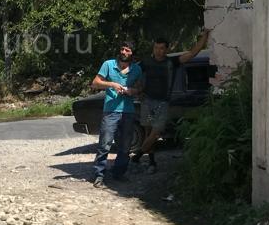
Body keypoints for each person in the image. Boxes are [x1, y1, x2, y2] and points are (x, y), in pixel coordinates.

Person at [132, 29, 210, 170]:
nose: (158, 51)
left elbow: (192, 54)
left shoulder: (171, 62)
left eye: (161, 48)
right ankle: (152, 162)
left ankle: (137, 156)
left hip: (162, 103)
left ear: (167, 49)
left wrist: (204, 37)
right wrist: (139, 90)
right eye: (156, 48)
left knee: (156, 133)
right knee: (148, 133)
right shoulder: (146, 62)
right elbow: (133, 74)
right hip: (147, 102)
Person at [90, 41, 142, 187]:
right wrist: (112, 84)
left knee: (125, 146)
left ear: (132, 54)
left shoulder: (137, 69)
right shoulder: (108, 64)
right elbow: (95, 83)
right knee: (105, 144)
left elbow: (140, 88)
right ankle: (99, 175)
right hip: (110, 110)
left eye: (127, 50)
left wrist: (132, 91)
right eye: (122, 49)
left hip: (128, 111)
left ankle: (119, 173)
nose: (124, 52)